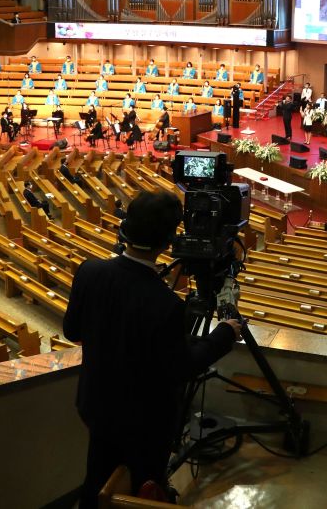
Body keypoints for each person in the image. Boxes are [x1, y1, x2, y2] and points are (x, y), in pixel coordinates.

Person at [62, 191, 241, 508]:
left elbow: (72, 331)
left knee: (98, 477)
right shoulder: (166, 304)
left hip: (95, 405)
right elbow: (182, 367)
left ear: (125, 229)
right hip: (143, 424)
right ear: (170, 240)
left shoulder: (89, 271)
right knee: (143, 490)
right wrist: (224, 334)